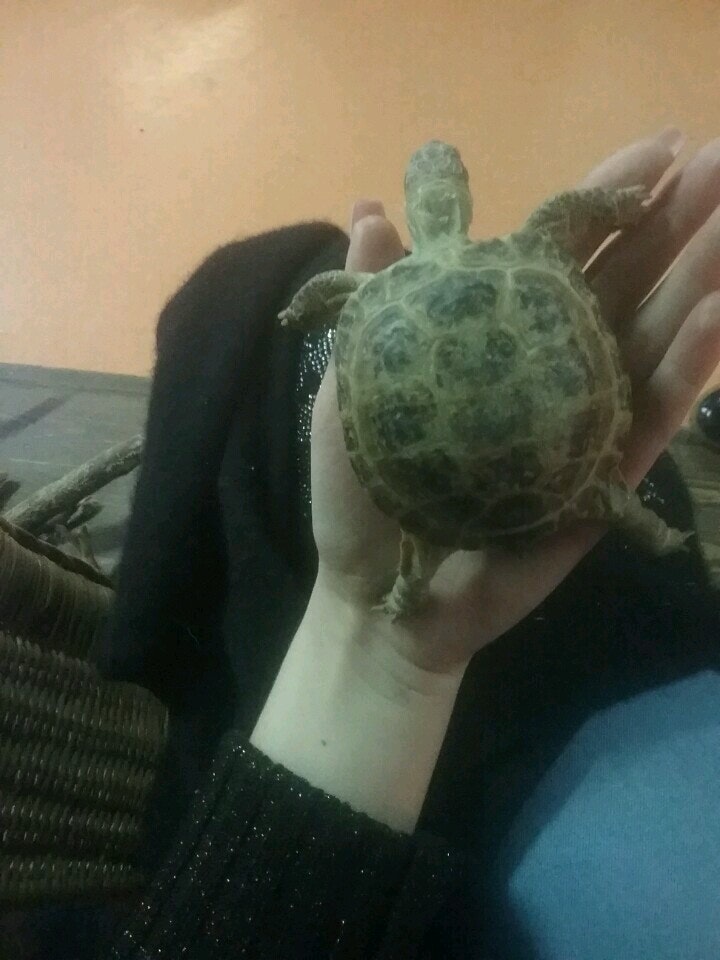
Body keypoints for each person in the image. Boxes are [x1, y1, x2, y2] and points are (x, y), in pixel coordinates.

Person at [8, 128, 720, 958]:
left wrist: (300, 307)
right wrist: (613, 206)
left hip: (432, 508)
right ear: (458, 199)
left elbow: (328, 296)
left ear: (427, 206)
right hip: (568, 458)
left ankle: (614, 525)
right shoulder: (532, 247)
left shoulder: (362, 289)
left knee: (271, 280)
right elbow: (567, 214)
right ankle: (636, 519)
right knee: (617, 510)